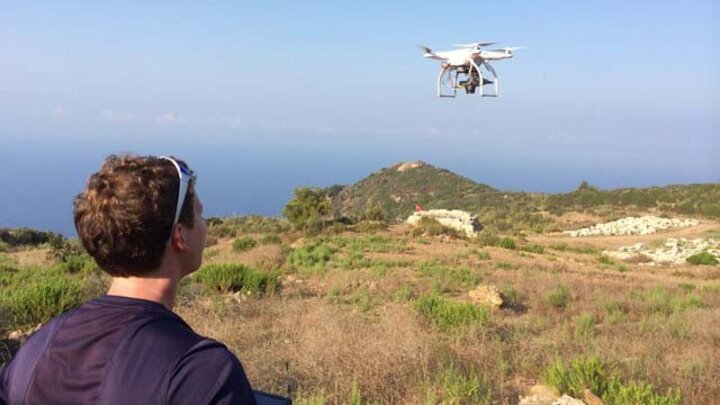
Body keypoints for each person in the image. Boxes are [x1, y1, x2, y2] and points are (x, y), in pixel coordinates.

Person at [0, 154, 257, 404]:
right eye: (200, 215)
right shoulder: (201, 371)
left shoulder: (35, 349)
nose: (205, 224)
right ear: (180, 237)